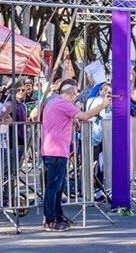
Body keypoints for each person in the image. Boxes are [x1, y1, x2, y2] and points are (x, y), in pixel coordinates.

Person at [41, 79, 110, 231]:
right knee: (54, 187)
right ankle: (50, 220)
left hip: (52, 150)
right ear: (70, 94)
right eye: (75, 95)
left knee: (58, 187)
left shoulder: (52, 103)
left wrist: (73, 120)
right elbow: (85, 116)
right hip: (56, 151)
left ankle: (58, 216)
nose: (76, 98)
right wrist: (102, 105)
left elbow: (62, 118)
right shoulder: (63, 104)